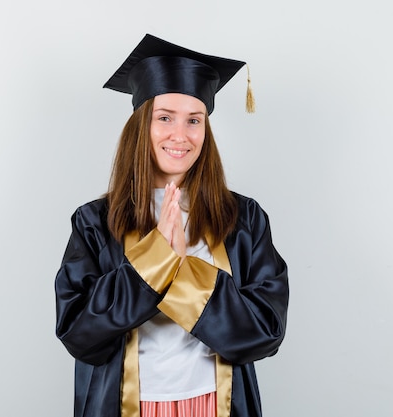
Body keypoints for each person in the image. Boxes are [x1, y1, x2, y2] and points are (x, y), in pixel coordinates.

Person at [54, 34, 289, 417]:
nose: (180, 135)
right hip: (127, 405)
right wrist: (156, 259)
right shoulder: (94, 222)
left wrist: (182, 274)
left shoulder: (243, 219)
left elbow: (264, 334)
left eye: (194, 120)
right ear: (141, 126)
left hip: (217, 404)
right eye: (164, 117)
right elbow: (80, 335)